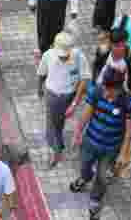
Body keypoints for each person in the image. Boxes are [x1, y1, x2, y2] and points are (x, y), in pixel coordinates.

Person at [69, 68, 131, 219]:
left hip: (111, 148)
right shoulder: (97, 91)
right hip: (90, 141)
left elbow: (129, 131)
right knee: (84, 166)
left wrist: (124, 154)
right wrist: (78, 132)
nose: (105, 92)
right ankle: (84, 178)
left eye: (109, 89)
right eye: (104, 87)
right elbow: (87, 113)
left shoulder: (128, 102)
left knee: (102, 176)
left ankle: (95, 200)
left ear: (118, 88)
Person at [38, 32, 91, 167]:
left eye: (65, 55)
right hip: (52, 95)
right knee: (52, 126)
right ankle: (57, 150)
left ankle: (57, 144)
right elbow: (41, 73)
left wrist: (74, 103)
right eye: (61, 56)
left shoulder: (78, 56)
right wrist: (39, 89)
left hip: (70, 96)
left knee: (58, 123)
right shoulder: (48, 55)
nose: (63, 58)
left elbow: (85, 79)